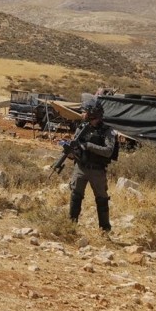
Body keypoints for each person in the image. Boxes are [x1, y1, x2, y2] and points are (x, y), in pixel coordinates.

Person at [68, 98, 117, 232]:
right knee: (75, 196)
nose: (82, 114)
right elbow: (76, 146)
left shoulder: (107, 131)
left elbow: (108, 151)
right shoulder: (81, 128)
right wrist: (70, 152)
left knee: (102, 200)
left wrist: (89, 146)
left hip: (97, 171)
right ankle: (70, 227)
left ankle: (104, 230)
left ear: (92, 113)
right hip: (80, 168)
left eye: (84, 111)